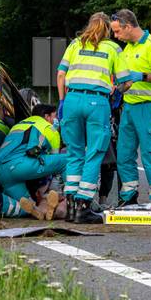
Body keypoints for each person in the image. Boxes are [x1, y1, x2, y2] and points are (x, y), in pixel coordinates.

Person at [57, 12, 129, 224]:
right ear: (107, 29)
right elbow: (126, 81)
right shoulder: (112, 48)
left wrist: (62, 101)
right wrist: (116, 91)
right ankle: (84, 207)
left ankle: (71, 206)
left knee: (74, 153)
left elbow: (60, 74)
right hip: (97, 102)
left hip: (72, 100)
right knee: (95, 153)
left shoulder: (75, 44)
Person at [110, 9, 151, 207]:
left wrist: (141, 76)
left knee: (149, 154)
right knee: (124, 154)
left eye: (117, 31)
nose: (116, 36)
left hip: (148, 107)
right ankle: (128, 196)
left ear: (128, 26)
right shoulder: (127, 48)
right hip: (129, 107)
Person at [0, 104, 64, 220]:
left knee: (25, 206)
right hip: (20, 166)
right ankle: (63, 197)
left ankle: (36, 210)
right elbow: (54, 162)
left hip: (1, 170)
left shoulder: (19, 125)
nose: (56, 119)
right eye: (54, 116)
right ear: (47, 117)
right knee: (66, 160)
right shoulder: (49, 128)